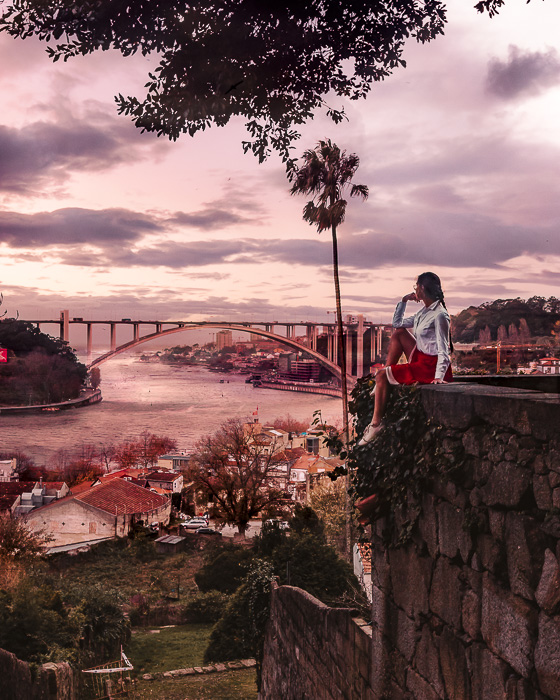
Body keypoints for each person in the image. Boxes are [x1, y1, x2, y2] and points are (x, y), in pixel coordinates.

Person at [358, 271, 453, 446]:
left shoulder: (440, 315)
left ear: (422, 288)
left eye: (416, 286)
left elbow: (443, 349)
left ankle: (376, 424)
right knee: (399, 334)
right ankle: (384, 379)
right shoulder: (423, 312)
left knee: (380, 375)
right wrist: (403, 300)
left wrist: (439, 376)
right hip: (421, 356)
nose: (415, 289)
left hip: (430, 367)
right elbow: (397, 324)